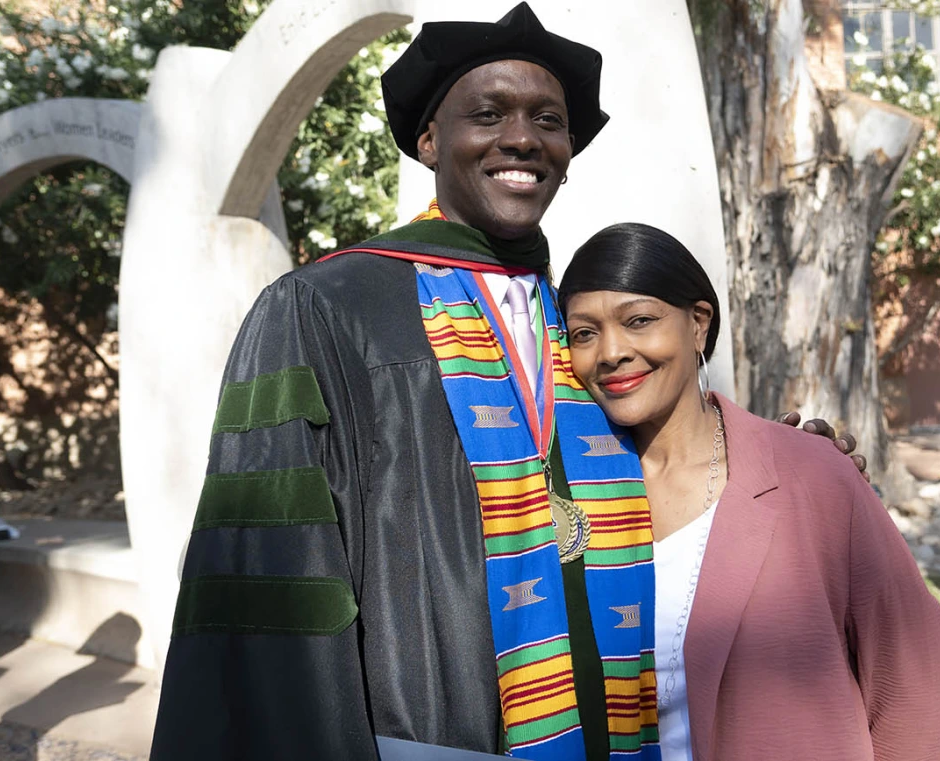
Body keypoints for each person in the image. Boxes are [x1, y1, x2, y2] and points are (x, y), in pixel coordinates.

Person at [149, 5, 866, 760]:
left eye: (547, 119)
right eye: (488, 113)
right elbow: (271, 579)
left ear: (567, 148)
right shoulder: (326, 310)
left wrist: (778, 460)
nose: (522, 137)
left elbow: (668, 456)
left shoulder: (576, 326)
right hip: (423, 739)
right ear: (429, 139)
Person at [559, 223, 940, 761]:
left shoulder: (808, 475)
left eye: (639, 321)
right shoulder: (563, 490)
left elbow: (915, 678)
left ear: (698, 324)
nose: (610, 351)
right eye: (584, 334)